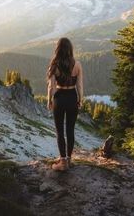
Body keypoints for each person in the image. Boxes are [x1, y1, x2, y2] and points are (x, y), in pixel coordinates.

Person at [47, 37, 83, 171]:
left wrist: (49, 100)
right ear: (70, 49)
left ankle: (62, 162)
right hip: (72, 97)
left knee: (60, 131)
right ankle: (68, 159)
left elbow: (51, 86)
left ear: (58, 49)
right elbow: (79, 85)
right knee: (70, 130)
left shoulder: (54, 64)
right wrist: (80, 99)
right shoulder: (77, 64)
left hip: (59, 98)